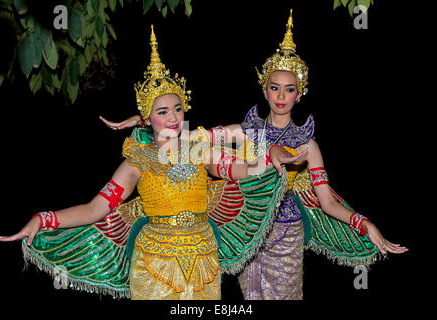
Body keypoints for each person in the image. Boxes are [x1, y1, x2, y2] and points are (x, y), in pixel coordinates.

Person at [101, 11, 408, 300]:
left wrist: (365, 223)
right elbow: (184, 135)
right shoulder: (246, 131)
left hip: (286, 234)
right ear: (265, 90)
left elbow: (326, 202)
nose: (281, 96)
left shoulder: (307, 146)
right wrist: (143, 118)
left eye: (290, 90)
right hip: (248, 231)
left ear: (300, 94)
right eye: (275, 88)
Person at [0, 25, 305, 300]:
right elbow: (95, 209)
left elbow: (239, 170)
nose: (173, 118)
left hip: (203, 259)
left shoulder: (197, 148)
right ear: (147, 118)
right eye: (162, 112)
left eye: (177, 108)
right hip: (154, 264)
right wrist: (43, 219)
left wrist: (270, 156)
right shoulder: (136, 161)